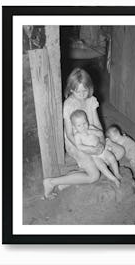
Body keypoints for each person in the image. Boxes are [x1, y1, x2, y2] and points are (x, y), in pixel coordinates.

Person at [43, 68, 125, 198]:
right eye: (78, 91)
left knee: (120, 152)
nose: (82, 94)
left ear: (89, 88)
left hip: (93, 137)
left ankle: (75, 176)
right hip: (77, 142)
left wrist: (102, 142)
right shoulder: (69, 105)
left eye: (85, 90)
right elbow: (69, 134)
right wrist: (87, 150)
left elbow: (97, 124)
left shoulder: (91, 100)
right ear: (71, 89)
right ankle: (51, 182)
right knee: (94, 176)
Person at [70, 109, 122, 187]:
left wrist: (94, 132)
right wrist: (90, 148)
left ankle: (117, 173)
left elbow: (100, 133)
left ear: (87, 121)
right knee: (102, 167)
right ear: (74, 127)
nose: (83, 127)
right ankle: (113, 179)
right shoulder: (78, 136)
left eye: (84, 123)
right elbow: (79, 146)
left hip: (102, 150)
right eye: (79, 125)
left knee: (112, 158)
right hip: (94, 156)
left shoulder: (91, 127)